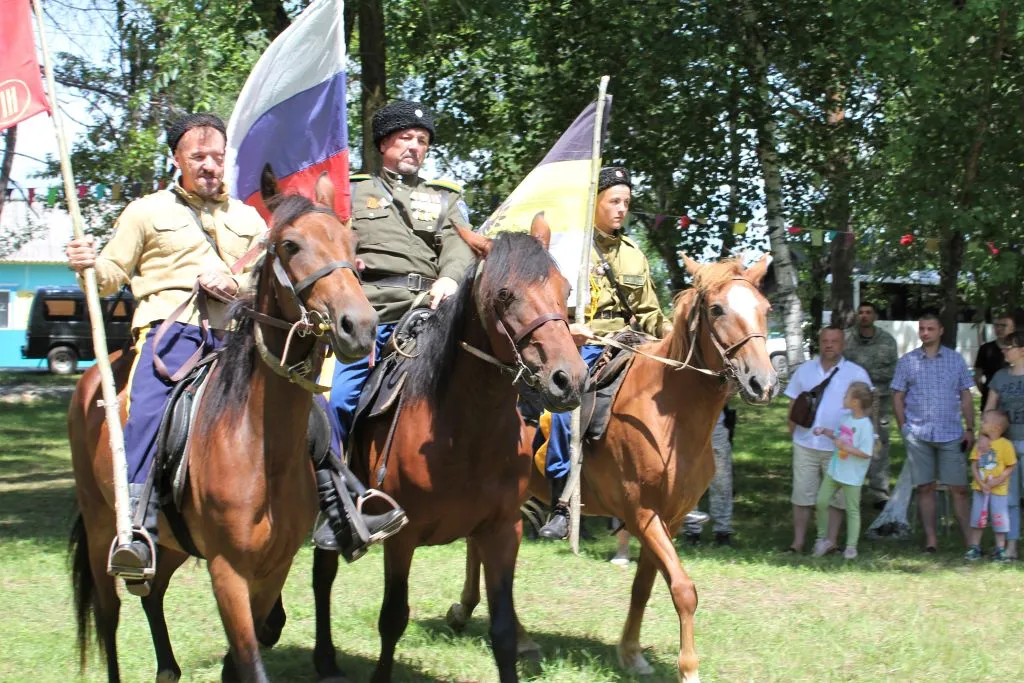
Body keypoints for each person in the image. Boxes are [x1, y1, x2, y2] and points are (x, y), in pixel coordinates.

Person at [63, 114, 271, 594]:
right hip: (170, 331)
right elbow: (112, 272)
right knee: (148, 406)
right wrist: (87, 265)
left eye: (217, 157)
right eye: (198, 157)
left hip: (240, 333)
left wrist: (234, 282)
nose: (210, 166)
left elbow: (265, 277)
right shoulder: (145, 211)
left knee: (307, 401)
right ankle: (136, 525)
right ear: (176, 159)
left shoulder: (248, 218)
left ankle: (337, 496)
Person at [320, 100, 475, 551]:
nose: (415, 148)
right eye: (407, 138)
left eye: (422, 141)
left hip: (431, 312)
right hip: (375, 313)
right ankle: (338, 501)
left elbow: (460, 246)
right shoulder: (353, 191)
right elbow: (330, 239)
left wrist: (449, 277)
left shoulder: (445, 198)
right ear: (384, 142)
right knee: (343, 401)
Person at [537, 166, 672, 541]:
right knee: (567, 411)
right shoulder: (567, 247)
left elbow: (649, 312)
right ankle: (561, 503)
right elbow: (545, 305)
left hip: (629, 343)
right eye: (614, 201)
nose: (621, 209)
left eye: (626, 203)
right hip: (582, 342)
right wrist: (568, 327)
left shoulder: (633, 255)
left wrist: (671, 335)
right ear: (594, 203)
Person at [891, 313, 976, 552]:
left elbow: (966, 395)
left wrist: (970, 428)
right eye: (922, 328)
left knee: (958, 489)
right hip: (918, 434)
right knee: (925, 487)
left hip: (951, 433)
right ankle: (931, 540)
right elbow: (897, 395)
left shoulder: (956, 360)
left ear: (941, 331)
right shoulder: (907, 361)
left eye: (930, 328)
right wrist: (903, 427)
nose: (925, 333)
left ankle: (972, 542)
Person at [783, 326, 872, 553]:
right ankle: (797, 543)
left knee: (838, 498)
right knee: (802, 494)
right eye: (825, 341)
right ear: (819, 343)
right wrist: (792, 432)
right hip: (805, 443)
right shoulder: (804, 370)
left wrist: (866, 436)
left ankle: (830, 542)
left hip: (840, 447)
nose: (829, 345)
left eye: (834, 341)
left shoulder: (856, 373)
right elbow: (793, 403)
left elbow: (868, 406)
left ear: (843, 345)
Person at [811, 382, 875, 560]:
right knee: (822, 502)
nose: (843, 398)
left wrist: (846, 448)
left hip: (852, 477)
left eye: (846, 396)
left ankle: (851, 547)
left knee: (852, 510)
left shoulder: (865, 426)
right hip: (835, 470)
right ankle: (822, 539)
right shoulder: (845, 418)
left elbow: (866, 453)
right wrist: (825, 431)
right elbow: (838, 436)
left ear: (855, 402)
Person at [843, 301, 898, 506]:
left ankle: (879, 492)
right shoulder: (846, 338)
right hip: (852, 402)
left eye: (868, 312)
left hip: (879, 401)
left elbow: (892, 370)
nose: (864, 316)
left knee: (879, 444)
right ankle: (849, 489)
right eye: (861, 312)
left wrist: (864, 374)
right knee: (849, 442)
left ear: (875, 316)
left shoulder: (887, 341)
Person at [982, 329, 1024, 560]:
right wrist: (984, 435)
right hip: (1006, 448)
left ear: (1022, 351)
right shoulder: (1000, 377)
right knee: (1009, 500)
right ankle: (1011, 546)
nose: (1004, 351)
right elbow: (989, 409)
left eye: (1009, 347)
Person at [964, 410, 1016, 562]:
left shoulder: (1005, 445)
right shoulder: (981, 444)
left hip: (999, 491)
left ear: (996, 427)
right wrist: (980, 483)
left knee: (999, 519)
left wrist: (998, 480)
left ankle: (1000, 549)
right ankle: (975, 547)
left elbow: (1011, 465)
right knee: (977, 519)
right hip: (980, 490)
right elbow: (974, 464)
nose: (981, 424)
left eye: (984, 421)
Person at [682, 407, 736, 547]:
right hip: (688, 426)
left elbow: (732, 387)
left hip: (717, 426)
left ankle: (723, 532)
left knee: (722, 481)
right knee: (690, 481)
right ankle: (692, 532)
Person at [975, 315, 1013, 409]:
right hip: (990, 399)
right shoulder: (986, 349)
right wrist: (983, 391)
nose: (999, 328)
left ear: (1013, 328)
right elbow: (978, 375)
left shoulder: (1020, 350)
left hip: (1014, 400)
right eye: (996, 325)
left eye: (1003, 325)